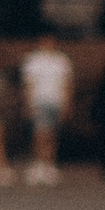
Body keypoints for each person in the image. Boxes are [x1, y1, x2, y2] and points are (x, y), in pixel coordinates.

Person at [21, 32, 72, 182]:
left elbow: (67, 84)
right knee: (39, 134)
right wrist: (28, 104)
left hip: (56, 102)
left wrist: (67, 104)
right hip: (39, 102)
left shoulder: (61, 61)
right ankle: (38, 164)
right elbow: (28, 84)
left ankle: (50, 165)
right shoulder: (32, 60)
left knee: (52, 135)